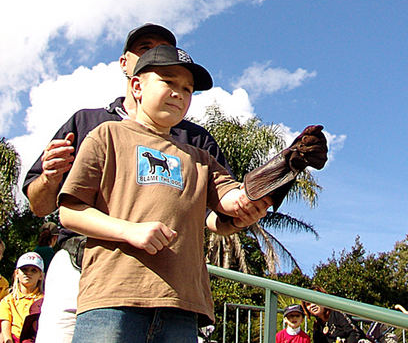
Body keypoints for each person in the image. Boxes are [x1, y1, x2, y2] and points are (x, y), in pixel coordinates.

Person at [24, 24, 271, 343]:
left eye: (188, 88)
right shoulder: (95, 127)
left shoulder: (196, 146)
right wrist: (51, 176)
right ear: (128, 67)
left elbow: (220, 206)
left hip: (176, 295)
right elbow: (52, 208)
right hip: (92, 276)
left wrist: (269, 184)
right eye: (147, 50)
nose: (179, 93)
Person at [0, 252, 45, 343]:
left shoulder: (45, 301)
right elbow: (5, 330)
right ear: (16, 273)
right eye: (24, 269)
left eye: (34, 270)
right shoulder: (8, 300)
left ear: (41, 275)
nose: (28, 273)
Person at [302, 288, 367, 343]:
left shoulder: (337, 312)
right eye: (308, 304)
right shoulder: (317, 326)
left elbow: (355, 333)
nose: (312, 305)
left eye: (315, 300)